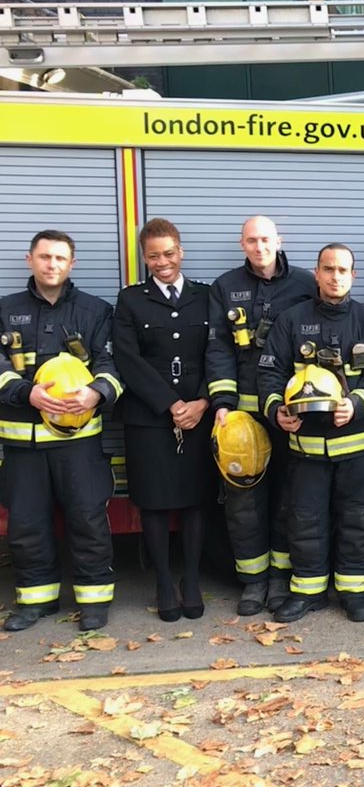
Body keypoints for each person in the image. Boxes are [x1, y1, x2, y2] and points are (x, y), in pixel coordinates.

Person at [257, 244, 364, 622]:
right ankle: (308, 592)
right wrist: (276, 412)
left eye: (343, 270)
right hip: (307, 449)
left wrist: (359, 404)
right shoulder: (291, 320)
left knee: (358, 520)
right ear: (316, 273)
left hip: (359, 448)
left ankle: (353, 592)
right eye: (328, 269)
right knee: (305, 520)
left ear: (353, 276)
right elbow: (268, 373)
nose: (335, 276)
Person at [0, 231, 124, 632]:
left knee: (88, 520)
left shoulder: (94, 311)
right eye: (44, 257)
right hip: (23, 445)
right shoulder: (4, 310)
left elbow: (113, 362)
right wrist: (25, 392)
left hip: (80, 444)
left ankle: (94, 600)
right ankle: (36, 600)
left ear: (72, 264)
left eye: (59, 258)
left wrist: (97, 392)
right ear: (29, 260)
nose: (51, 264)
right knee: (26, 525)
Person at [207, 216, 316, 616]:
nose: (259, 246)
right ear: (242, 244)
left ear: (278, 241)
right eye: (251, 240)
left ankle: (280, 579)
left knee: (290, 500)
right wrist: (222, 402)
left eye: (265, 239)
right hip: (240, 416)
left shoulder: (305, 283)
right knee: (243, 504)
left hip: (289, 413)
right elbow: (217, 347)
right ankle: (253, 582)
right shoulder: (226, 287)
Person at [113, 219, 216, 621]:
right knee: (153, 502)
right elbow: (127, 358)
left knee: (196, 499)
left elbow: (218, 353)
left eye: (169, 253)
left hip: (199, 416)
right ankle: (162, 581)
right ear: (143, 257)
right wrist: (171, 404)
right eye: (153, 255)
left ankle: (190, 579)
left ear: (181, 252)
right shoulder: (130, 300)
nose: (162, 262)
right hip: (150, 418)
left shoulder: (206, 296)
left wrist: (203, 401)